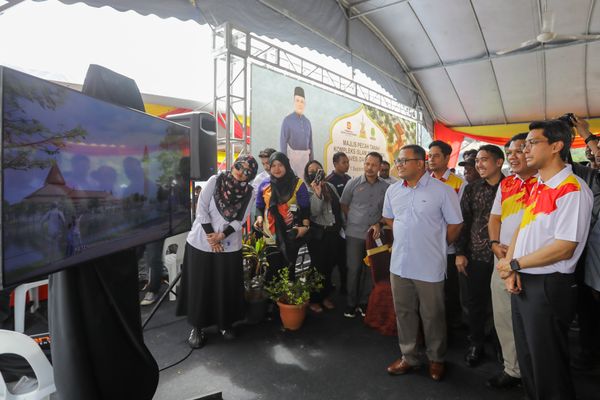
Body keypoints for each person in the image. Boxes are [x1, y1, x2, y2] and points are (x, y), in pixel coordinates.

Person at [497, 120, 593, 400]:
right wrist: (512, 268)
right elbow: (522, 228)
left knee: (548, 363)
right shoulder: (539, 184)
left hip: (549, 284)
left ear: (556, 146)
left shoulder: (572, 189)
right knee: (528, 357)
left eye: (532, 143)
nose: (524, 149)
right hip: (525, 279)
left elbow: (564, 247)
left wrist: (514, 264)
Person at [384, 145, 463, 382]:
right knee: (404, 312)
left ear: (420, 163)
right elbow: (389, 218)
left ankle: (436, 358)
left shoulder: (443, 191)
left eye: (403, 161)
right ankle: (409, 356)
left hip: (429, 265)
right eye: (398, 161)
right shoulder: (393, 190)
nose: (399, 165)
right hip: (399, 264)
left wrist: (436, 243)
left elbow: (456, 224)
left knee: (433, 315)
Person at [176, 155, 258, 348]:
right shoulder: (215, 180)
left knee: (225, 285)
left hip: (228, 244)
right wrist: (212, 237)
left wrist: (221, 236)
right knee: (201, 285)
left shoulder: (250, 192)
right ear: (233, 165)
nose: (241, 172)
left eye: (247, 171)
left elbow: (240, 219)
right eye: (239, 167)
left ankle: (225, 323)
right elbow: (201, 209)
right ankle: (198, 327)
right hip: (201, 243)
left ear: (251, 176)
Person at [486, 133, 537, 389]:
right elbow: (495, 218)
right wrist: (495, 244)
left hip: (534, 265)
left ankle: (536, 373)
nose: (513, 157)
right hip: (504, 262)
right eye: (509, 153)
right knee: (504, 318)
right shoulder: (507, 184)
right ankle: (512, 369)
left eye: (519, 151)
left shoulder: (546, 183)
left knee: (534, 323)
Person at [455, 144, 505, 367]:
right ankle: (476, 343)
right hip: (477, 255)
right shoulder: (472, 189)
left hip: (506, 256)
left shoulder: (512, 187)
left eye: (484, 160)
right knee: (476, 303)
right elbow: (463, 222)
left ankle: (502, 346)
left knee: (502, 305)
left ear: (499, 162)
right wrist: (460, 253)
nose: (479, 165)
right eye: (477, 161)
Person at [340, 152, 389, 318]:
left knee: (370, 269)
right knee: (354, 269)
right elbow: (344, 204)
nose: (370, 168)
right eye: (367, 164)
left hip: (374, 235)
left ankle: (364, 302)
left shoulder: (386, 187)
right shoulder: (352, 183)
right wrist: (354, 219)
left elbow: (388, 211)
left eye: (374, 165)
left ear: (380, 167)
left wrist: (379, 223)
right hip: (354, 234)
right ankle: (351, 303)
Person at [254, 152, 310, 281]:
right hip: (270, 234)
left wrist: (305, 227)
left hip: (291, 234)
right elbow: (259, 206)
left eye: (280, 165)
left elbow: (305, 209)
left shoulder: (298, 184)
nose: (276, 169)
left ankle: (288, 292)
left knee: (289, 269)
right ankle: (273, 294)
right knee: (272, 269)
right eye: (273, 165)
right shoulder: (265, 184)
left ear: (286, 165)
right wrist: (259, 218)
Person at [428, 140, 466, 329]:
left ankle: (450, 328)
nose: (431, 159)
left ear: (446, 158)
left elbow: (460, 220)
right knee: (430, 289)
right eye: (429, 156)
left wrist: (454, 247)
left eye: (436, 156)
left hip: (448, 246)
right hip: (428, 246)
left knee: (449, 290)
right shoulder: (424, 181)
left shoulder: (459, 183)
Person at [304, 160, 342, 313]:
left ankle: (325, 296)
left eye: (317, 169)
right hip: (318, 235)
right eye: (311, 171)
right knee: (316, 268)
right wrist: (317, 192)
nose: (314, 172)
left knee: (329, 266)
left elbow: (338, 207)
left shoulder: (330, 186)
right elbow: (314, 212)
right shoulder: (306, 189)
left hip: (333, 233)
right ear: (307, 174)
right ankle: (314, 299)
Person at [280, 86, 313, 175]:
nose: (300, 104)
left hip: (305, 160)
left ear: (304, 104)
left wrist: (311, 162)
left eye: (302, 101)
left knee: (305, 182)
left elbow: (310, 144)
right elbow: (283, 143)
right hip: (292, 160)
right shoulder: (287, 120)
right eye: (297, 100)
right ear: (294, 102)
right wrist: (284, 163)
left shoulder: (307, 122)